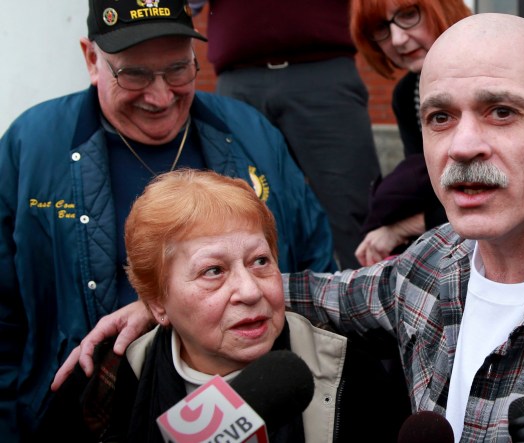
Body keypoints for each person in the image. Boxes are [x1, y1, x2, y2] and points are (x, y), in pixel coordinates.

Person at [55, 13, 524, 441]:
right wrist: (165, 303)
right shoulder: (434, 265)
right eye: (439, 117)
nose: (463, 146)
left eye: (502, 111)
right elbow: (327, 292)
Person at [0, 0, 336, 440]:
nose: (160, 96)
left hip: (268, 407)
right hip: (86, 419)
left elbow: (319, 270)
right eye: (134, 74)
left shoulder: (252, 134)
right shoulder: (32, 146)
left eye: (178, 70)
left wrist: (176, 303)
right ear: (90, 58)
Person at [38, 169, 405, 442]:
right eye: (213, 271)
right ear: (157, 305)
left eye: (260, 261)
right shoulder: (109, 376)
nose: (248, 291)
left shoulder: (350, 374)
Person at [187, 0, 382, 270]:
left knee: (352, 207)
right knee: (234, 212)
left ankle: (368, 301)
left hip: (323, 69)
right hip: (239, 77)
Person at [350, 0, 471, 266]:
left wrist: (402, 228)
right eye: (381, 28)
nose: (397, 39)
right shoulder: (407, 94)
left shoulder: (495, 71)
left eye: (408, 15)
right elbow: (430, 185)